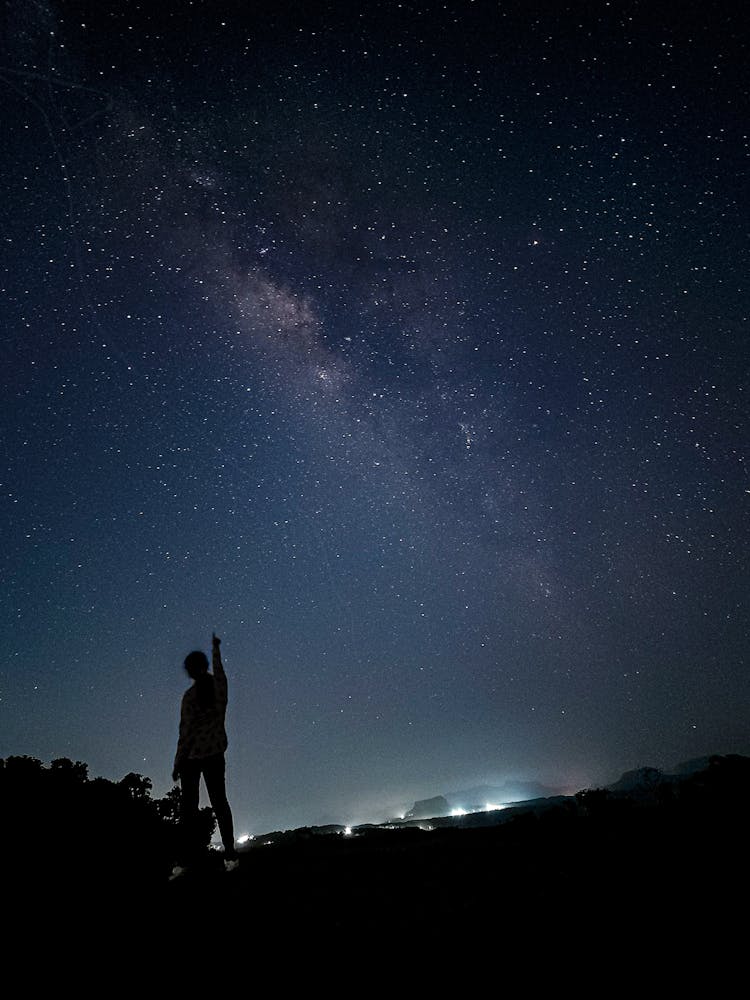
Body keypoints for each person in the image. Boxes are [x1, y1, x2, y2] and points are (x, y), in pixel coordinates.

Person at [171, 632, 238, 876]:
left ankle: (186, 858)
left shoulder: (189, 697)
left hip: (192, 759)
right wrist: (216, 649)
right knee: (220, 803)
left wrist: (178, 762)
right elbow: (220, 673)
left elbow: (185, 732)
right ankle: (229, 854)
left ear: (190, 670)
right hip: (213, 755)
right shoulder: (219, 690)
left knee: (188, 811)